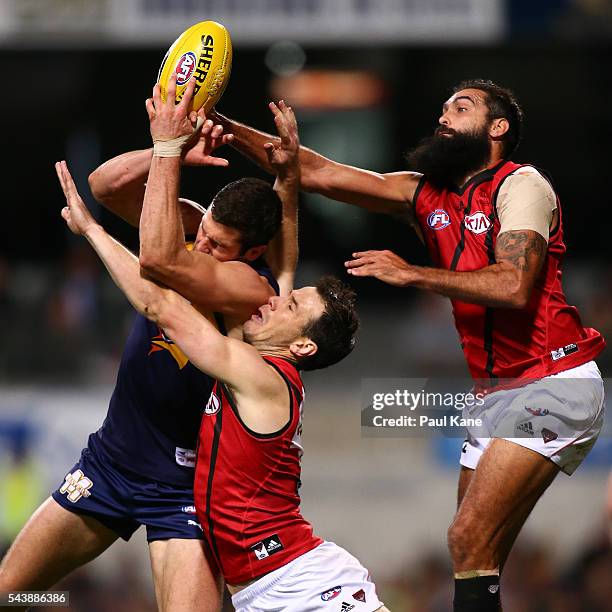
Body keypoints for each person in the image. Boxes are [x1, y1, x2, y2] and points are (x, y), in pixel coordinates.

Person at [211, 79, 606, 611]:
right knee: (476, 554)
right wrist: (221, 126)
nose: (444, 115)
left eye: (461, 107)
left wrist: (412, 273)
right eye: (442, 106)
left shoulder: (521, 185)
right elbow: (319, 172)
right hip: (496, 391)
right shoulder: (425, 193)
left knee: (467, 538)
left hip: (553, 379)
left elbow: (513, 286)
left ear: (498, 128)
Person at [55, 133, 389, 610]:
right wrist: (286, 177)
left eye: (288, 304)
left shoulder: (256, 373)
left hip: (302, 582)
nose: (275, 297)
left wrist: (92, 230)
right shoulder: (256, 351)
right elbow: (286, 262)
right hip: (268, 583)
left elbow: (159, 301)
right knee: (15, 591)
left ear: (301, 343)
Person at [0, 77, 295, 612]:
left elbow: (159, 263)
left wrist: (165, 150)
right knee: (13, 593)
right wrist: (171, 152)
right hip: (111, 461)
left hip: (182, 487)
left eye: (219, 246)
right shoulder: (190, 225)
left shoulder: (250, 289)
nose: (202, 242)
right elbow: (105, 184)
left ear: (252, 252)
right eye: (203, 231)